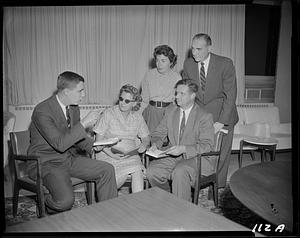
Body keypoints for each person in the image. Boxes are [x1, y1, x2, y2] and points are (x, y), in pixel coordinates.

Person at [27, 71, 118, 214]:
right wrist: (84, 123)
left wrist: (95, 146)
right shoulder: (42, 110)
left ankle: (109, 214)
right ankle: (43, 203)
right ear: (66, 92)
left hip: (67, 159)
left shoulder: (73, 108)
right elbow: (60, 144)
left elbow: (76, 138)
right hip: (45, 163)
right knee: (64, 202)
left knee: (106, 170)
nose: (83, 95)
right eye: (80, 91)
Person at [182, 33, 239, 188]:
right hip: (201, 115)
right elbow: (189, 94)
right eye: (192, 48)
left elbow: (230, 95)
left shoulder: (225, 64)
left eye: (199, 49)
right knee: (200, 151)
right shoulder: (188, 64)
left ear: (209, 48)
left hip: (223, 113)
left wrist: (221, 121)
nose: (194, 53)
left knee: (221, 154)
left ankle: (218, 186)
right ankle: (197, 181)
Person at [146, 79, 214, 202]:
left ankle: (182, 211)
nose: (176, 96)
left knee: (180, 171)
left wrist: (184, 149)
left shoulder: (204, 116)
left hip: (197, 158)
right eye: (176, 93)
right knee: (152, 171)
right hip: (174, 157)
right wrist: (155, 144)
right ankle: (167, 200)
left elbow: (207, 145)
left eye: (181, 93)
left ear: (192, 96)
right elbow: (159, 133)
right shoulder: (170, 111)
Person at [94, 84, 150, 193]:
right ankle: (110, 199)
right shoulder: (109, 113)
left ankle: (137, 204)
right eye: (121, 99)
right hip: (108, 153)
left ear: (134, 103)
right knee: (115, 181)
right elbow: (98, 141)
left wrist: (144, 144)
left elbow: (146, 137)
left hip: (130, 154)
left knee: (137, 170)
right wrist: (112, 155)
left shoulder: (138, 117)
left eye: (127, 101)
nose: (122, 103)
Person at [141, 45, 182, 133]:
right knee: (150, 141)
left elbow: (177, 102)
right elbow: (144, 99)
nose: (159, 64)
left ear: (171, 62)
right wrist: (136, 116)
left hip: (168, 112)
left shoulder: (177, 77)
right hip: (151, 112)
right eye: (157, 60)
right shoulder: (149, 75)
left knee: (165, 142)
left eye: (163, 61)